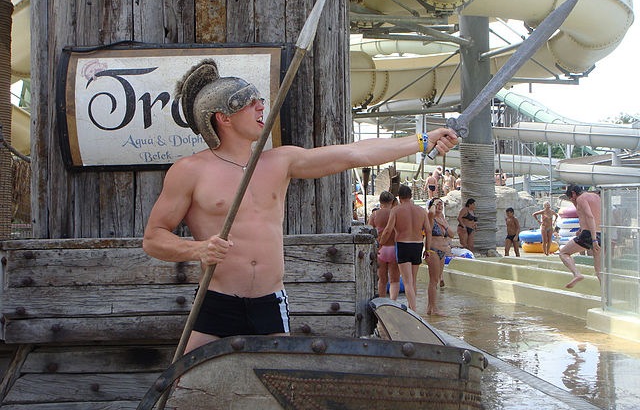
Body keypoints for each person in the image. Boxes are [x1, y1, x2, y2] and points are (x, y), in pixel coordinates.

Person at [142, 59, 458, 353]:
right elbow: (153, 238)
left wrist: (422, 141)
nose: (260, 106)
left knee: (277, 383)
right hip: (216, 301)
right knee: (187, 385)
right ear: (223, 118)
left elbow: (355, 153)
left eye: (259, 100)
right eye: (249, 103)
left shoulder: (280, 161)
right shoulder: (190, 171)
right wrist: (197, 249)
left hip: (269, 301)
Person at [379, 185, 432, 312]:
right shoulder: (421, 211)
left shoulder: (396, 210)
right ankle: (411, 307)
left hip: (403, 244)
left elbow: (388, 230)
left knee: (407, 282)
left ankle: (413, 310)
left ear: (399, 197)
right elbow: (428, 231)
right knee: (413, 281)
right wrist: (427, 249)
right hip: (418, 245)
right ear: (411, 196)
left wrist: (380, 243)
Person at [558, 185, 602, 288]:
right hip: (601, 233)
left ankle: (577, 274)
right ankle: (606, 294)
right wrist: (581, 229)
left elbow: (589, 216)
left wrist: (594, 239)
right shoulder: (596, 197)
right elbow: (596, 215)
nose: (572, 201)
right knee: (599, 271)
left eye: (571, 198)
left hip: (590, 234)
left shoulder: (581, 198)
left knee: (563, 253)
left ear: (573, 193)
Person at [369, 191, 400, 300]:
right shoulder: (395, 213)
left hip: (380, 249)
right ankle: (393, 302)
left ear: (380, 201)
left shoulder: (374, 214)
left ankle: (381, 302)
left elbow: (369, 232)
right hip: (394, 248)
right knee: (394, 280)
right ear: (392, 201)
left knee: (382, 280)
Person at [425, 198, 454, 315]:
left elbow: (452, 234)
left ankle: (430, 307)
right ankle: (433, 308)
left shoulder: (442, 219)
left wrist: (444, 225)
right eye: (437, 204)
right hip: (433, 251)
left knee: (436, 280)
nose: (440, 206)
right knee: (433, 280)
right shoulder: (430, 218)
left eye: (441, 204)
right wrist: (434, 203)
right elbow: (431, 212)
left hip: (442, 251)